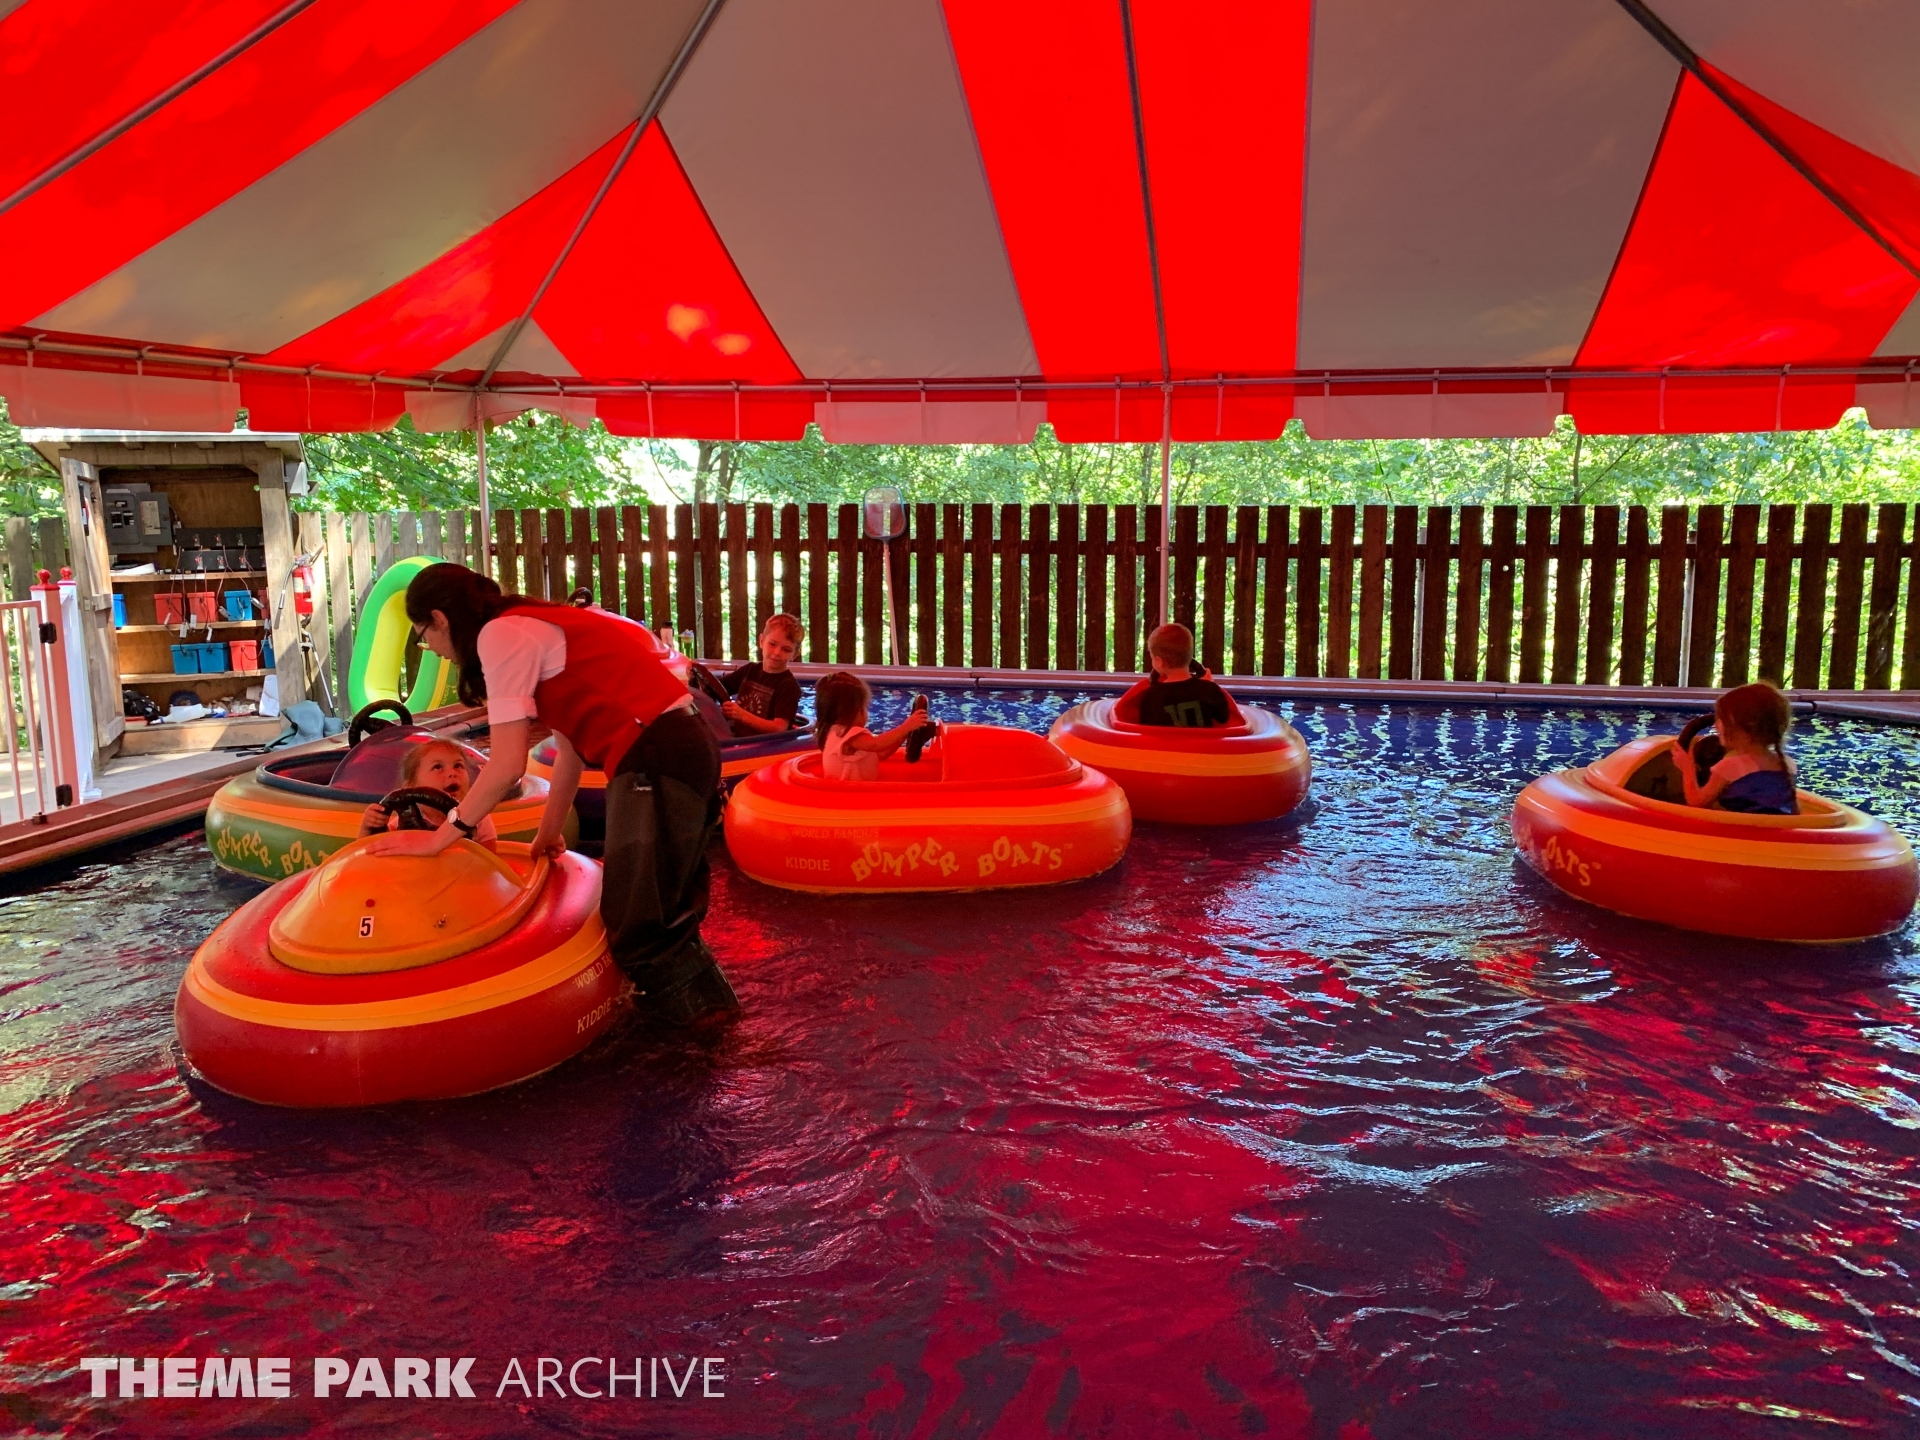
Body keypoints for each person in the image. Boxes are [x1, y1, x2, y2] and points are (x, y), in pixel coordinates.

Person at [365, 564, 738, 1027]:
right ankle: (719, 1029)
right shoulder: (529, 623)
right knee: (664, 912)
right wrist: (549, 830)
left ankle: (706, 1049)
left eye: (424, 636)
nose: (434, 650)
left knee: (636, 927)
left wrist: (441, 838)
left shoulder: (500, 636)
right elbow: (569, 748)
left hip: (656, 755)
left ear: (440, 619)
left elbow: (505, 766)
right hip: (682, 747)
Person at [1681, 681, 1798, 815]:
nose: (1716, 724)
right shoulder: (1788, 764)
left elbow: (1696, 802)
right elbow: (1794, 810)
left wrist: (1687, 767)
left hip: (1739, 832)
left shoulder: (1730, 765)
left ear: (1744, 729)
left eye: (1722, 720)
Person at [357, 738, 498, 843]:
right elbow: (371, 858)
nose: (452, 773)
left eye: (458, 766)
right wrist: (367, 828)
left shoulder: (478, 818)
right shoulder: (404, 822)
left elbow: (490, 865)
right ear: (411, 789)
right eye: (437, 767)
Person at [813, 671, 932, 781]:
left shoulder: (835, 732)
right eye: (864, 707)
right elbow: (877, 744)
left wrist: (905, 734)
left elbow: (881, 753)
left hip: (854, 792)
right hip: (850, 797)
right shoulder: (848, 735)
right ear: (850, 711)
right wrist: (906, 727)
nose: (866, 712)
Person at [1129, 623, 1233, 728]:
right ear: (1190, 656)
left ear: (1159, 662)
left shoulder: (1150, 696)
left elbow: (1146, 729)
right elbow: (1223, 718)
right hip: (1201, 745)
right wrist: (1209, 684)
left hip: (1166, 745)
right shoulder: (1209, 690)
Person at [721, 614, 805, 737]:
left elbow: (779, 727)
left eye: (786, 650)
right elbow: (718, 687)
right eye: (772, 644)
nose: (777, 653)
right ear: (761, 641)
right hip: (737, 738)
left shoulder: (788, 686)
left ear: (795, 654)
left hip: (764, 747)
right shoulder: (750, 670)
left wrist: (741, 714)